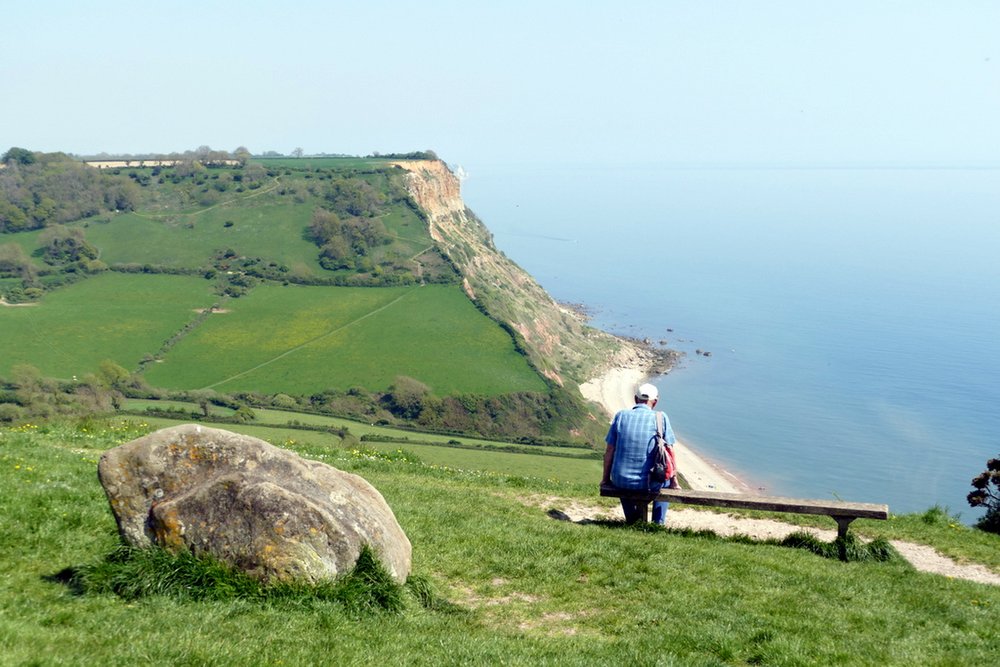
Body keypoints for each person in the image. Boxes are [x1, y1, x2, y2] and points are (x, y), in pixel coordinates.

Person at [601, 382, 677, 524]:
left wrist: (605, 480)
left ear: (635, 399)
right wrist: (674, 481)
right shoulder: (661, 418)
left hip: (620, 480)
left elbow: (609, 450)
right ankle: (658, 523)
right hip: (649, 484)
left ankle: (632, 520)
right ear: (655, 402)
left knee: (622, 478)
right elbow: (670, 451)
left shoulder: (621, 416)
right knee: (664, 480)